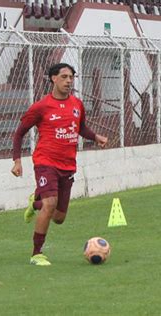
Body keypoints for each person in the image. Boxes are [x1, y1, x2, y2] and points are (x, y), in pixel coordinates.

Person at [11, 63, 108, 266]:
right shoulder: (41, 106)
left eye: (71, 77)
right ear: (53, 79)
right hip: (45, 162)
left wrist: (95, 137)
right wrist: (17, 160)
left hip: (68, 165)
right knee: (50, 204)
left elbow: (80, 128)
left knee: (59, 217)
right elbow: (20, 132)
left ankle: (34, 202)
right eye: (64, 77)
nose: (68, 81)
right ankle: (37, 253)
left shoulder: (77, 104)